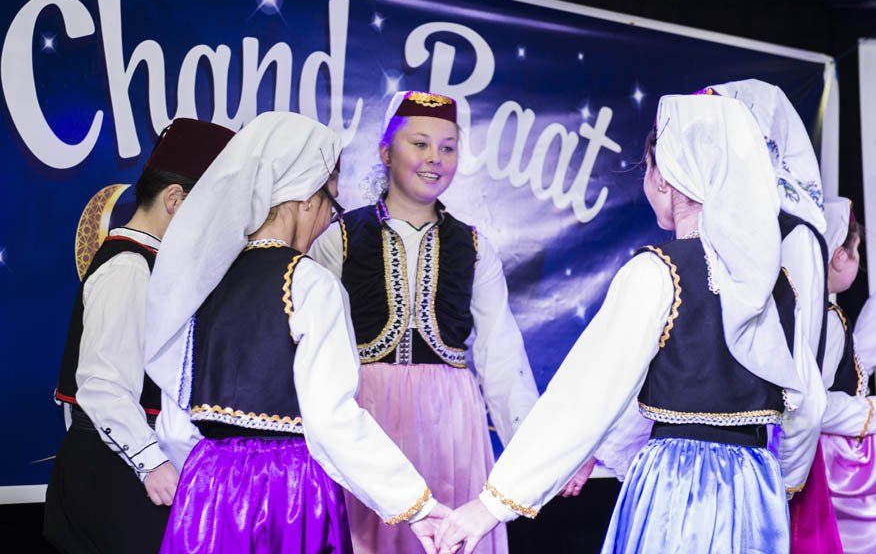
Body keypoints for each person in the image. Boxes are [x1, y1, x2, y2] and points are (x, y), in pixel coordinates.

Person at [434, 93, 824, 554]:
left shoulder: (658, 272)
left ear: (667, 178)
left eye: (649, 167)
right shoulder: (780, 284)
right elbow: (808, 409)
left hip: (680, 488)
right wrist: (778, 486)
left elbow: (586, 397)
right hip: (755, 486)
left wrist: (492, 504)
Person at [143, 112, 448, 554]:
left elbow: (173, 424)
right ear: (306, 198)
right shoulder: (311, 283)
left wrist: (212, 477)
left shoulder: (203, 280)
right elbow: (331, 421)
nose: (328, 219)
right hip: (286, 491)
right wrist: (414, 504)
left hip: (207, 488)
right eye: (330, 203)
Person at [308, 90, 542, 554]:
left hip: (448, 421)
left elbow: (501, 357)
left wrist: (536, 459)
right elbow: (308, 350)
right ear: (385, 152)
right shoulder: (339, 239)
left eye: (448, 147)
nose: (435, 158)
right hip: (365, 413)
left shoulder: (474, 246)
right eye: (420, 144)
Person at [44, 119, 235, 554]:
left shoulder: (157, 266)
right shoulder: (129, 267)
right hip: (117, 473)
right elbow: (104, 386)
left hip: (132, 466)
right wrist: (153, 465)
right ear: (174, 199)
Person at [701, 80, 833, 552]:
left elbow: (802, 386)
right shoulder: (718, 220)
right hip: (703, 471)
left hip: (761, 467)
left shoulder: (792, 233)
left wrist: (773, 485)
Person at [819, 198, 876, 554]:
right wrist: (870, 412)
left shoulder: (823, 317)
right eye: (856, 250)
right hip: (829, 467)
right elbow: (815, 403)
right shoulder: (827, 320)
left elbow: (860, 359)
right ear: (840, 256)